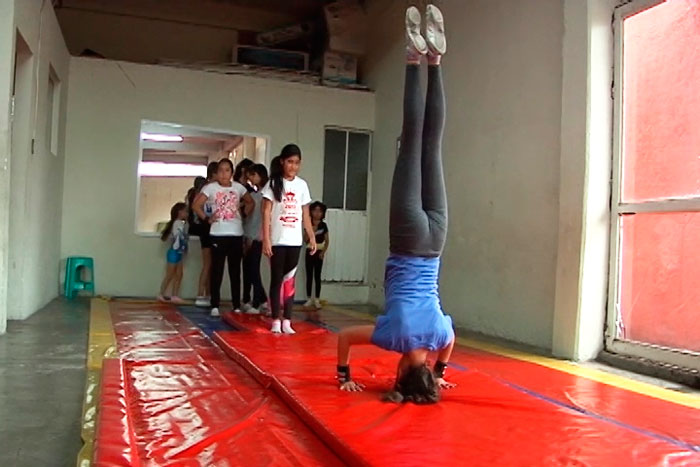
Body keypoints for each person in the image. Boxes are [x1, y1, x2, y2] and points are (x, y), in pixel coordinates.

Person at [336, 5, 456, 404]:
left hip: (436, 239)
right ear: (403, 372)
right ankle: (411, 57)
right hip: (406, 239)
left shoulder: (439, 336)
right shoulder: (394, 338)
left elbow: (450, 342)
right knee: (412, 140)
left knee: (433, 148)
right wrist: (343, 376)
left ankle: (435, 61)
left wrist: (441, 371)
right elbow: (345, 338)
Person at [262, 145, 317, 334]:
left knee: (290, 280)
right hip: (277, 240)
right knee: (276, 279)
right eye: (290, 162)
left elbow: (306, 214)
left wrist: (311, 237)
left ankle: (287, 320)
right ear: (282, 162)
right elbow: (266, 212)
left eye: (297, 163)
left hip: (295, 241)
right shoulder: (273, 184)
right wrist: (266, 239)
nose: (293, 166)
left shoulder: (302, 185)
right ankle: (276, 319)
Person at [192, 158, 254, 317]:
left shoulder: (239, 187)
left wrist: (245, 213)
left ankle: (236, 305)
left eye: (227, 170)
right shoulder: (210, 187)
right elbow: (196, 205)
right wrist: (207, 218)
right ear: (216, 173)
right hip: (218, 234)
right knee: (217, 270)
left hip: (236, 234)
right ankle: (215, 305)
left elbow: (250, 202)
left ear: (232, 173)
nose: (223, 173)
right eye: (220, 170)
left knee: (235, 272)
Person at [242, 163, 269, 315]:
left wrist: (254, 237)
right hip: (250, 235)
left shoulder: (264, 196)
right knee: (249, 269)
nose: (250, 179)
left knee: (253, 270)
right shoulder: (255, 194)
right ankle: (259, 300)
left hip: (256, 237)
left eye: (253, 175)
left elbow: (261, 220)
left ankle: (261, 300)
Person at [186, 176, 212, 307]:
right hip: (203, 229)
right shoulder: (201, 196)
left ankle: (206, 294)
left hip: (201, 228)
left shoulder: (192, 195)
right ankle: (201, 293)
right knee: (208, 264)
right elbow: (200, 212)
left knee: (209, 265)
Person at [158, 202, 189, 304]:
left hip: (178, 252)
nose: (187, 213)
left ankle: (175, 295)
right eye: (185, 211)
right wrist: (180, 247)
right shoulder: (176, 223)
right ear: (180, 212)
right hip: (174, 252)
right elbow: (178, 237)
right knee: (170, 274)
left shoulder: (182, 224)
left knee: (179, 274)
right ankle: (161, 293)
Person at [304, 201, 329, 310]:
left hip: (319, 251)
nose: (317, 213)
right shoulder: (308, 223)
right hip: (309, 250)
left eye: (320, 211)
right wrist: (311, 231)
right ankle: (309, 298)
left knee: (317, 276)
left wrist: (323, 252)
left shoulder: (324, 225)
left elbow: (327, 240)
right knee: (309, 275)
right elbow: (305, 239)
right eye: (315, 210)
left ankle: (317, 299)